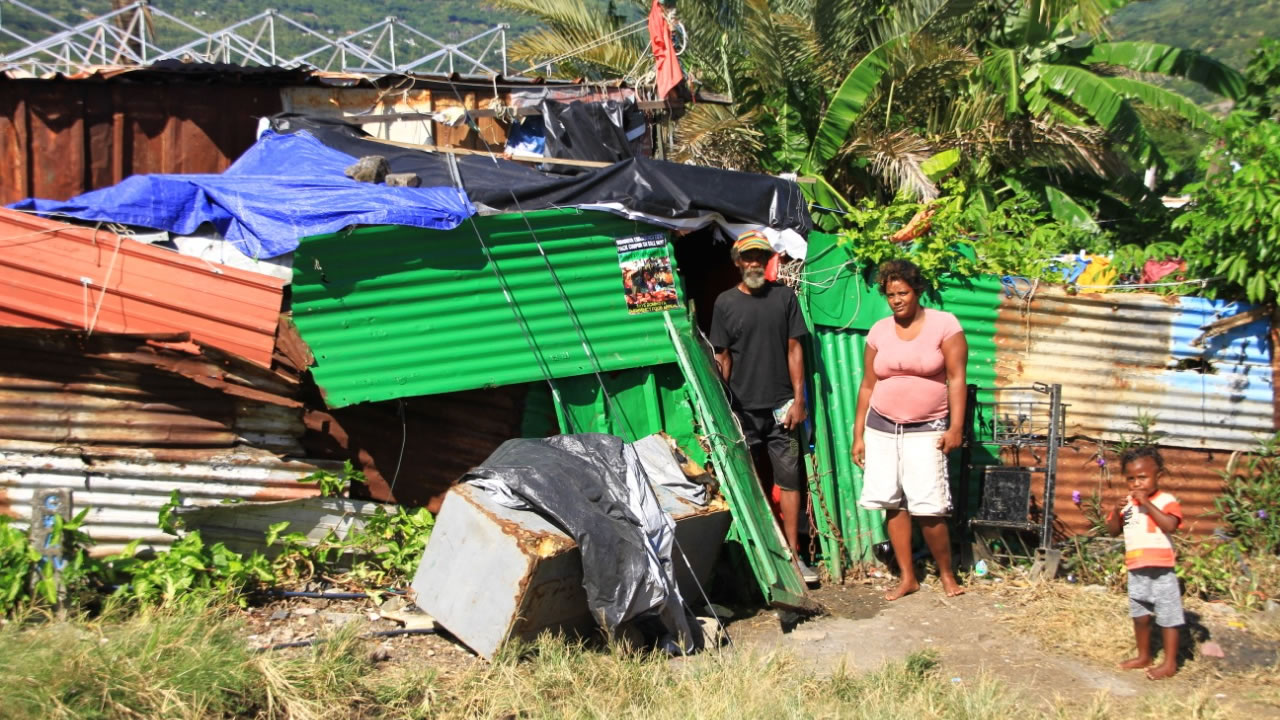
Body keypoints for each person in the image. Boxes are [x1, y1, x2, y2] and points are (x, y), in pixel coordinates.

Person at [851, 259, 967, 600]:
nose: (896, 299)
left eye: (902, 292)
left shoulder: (945, 325)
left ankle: (947, 574)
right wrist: (858, 434)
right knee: (892, 502)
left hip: (926, 427)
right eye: (890, 294)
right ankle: (907, 577)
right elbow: (867, 386)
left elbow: (957, 379)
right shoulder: (878, 332)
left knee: (929, 506)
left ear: (917, 291)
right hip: (881, 427)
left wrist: (956, 426)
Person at [710, 229, 817, 584]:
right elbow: (722, 358)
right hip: (743, 412)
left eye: (760, 256)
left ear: (769, 260)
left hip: (782, 409)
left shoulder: (784, 297)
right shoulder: (725, 302)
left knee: (789, 481)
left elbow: (795, 350)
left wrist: (799, 401)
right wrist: (723, 408)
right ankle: (761, 557)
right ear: (738, 262)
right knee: (749, 483)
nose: (754, 262)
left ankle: (793, 554)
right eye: (748, 256)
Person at [1106, 445, 1184, 680]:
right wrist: (1114, 511)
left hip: (1161, 569)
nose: (1136, 484)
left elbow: (1170, 525)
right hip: (1136, 568)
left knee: (1169, 616)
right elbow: (1113, 531)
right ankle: (1144, 656)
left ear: (1157, 476)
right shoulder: (1128, 505)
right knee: (1140, 616)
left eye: (1142, 477)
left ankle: (1169, 663)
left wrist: (1147, 504)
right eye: (1131, 479)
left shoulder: (1165, 499)